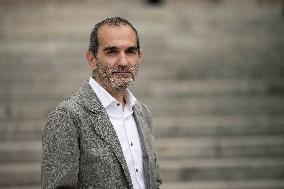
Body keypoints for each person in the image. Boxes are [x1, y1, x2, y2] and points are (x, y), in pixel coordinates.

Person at [41, 17, 162, 189]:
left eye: (130, 51)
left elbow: (153, 181)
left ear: (140, 56)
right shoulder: (67, 117)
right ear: (92, 59)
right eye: (112, 52)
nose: (123, 62)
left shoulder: (143, 113)